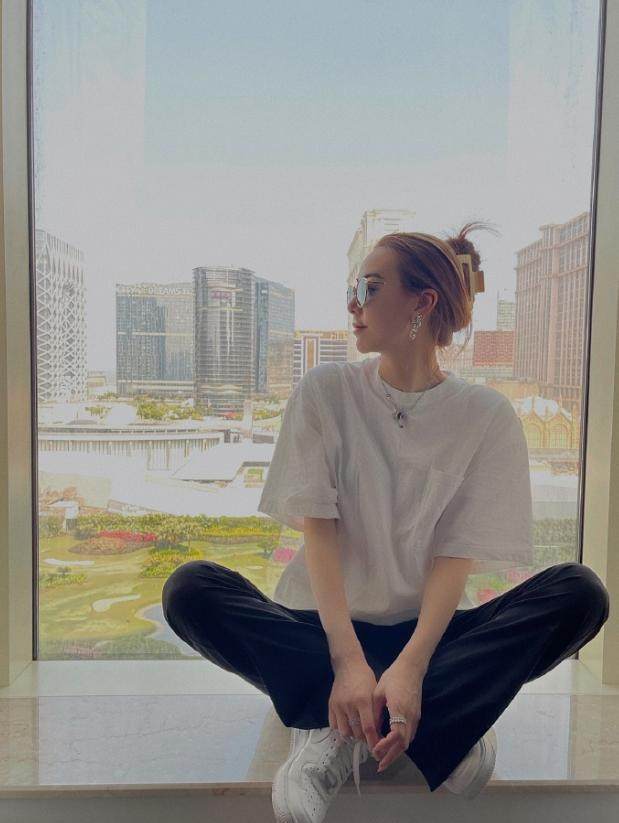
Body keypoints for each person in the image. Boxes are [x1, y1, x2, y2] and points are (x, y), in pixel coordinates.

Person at [162, 223, 609, 823]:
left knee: (580, 593)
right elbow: (319, 533)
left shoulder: (485, 415)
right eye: (353, 288)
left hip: (430, 637)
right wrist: (347, 662)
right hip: (323, 631)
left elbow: (455, 555)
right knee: (190, 590)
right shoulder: (325, 392)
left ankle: (393, 713)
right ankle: (405, 719)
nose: (353, 304)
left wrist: (413, 667)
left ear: (422, 302)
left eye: (369, 288)